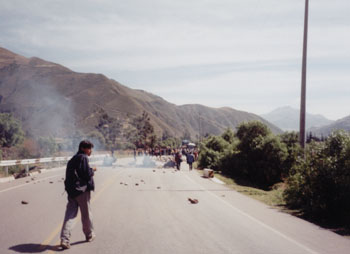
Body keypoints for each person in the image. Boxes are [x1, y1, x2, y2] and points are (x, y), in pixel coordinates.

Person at [60, 140, 96, 250]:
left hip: (72, 192)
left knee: (70, 216)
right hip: (82, 191)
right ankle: (89, 235)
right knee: (86, 214)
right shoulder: (83, 157)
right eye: (89, 149)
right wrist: (93, 170)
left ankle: (64, 239)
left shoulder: (73, 159)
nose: (90, 151)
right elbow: (86, 174)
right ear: (84, 148)